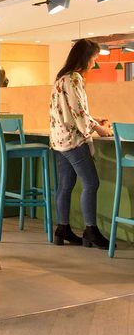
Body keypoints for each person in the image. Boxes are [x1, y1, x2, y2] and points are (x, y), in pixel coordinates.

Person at [49, 38, 113, 249]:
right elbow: (79, 113)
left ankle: (62, 229)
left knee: (65, 186)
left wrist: (93, 121)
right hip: (74, 141)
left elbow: (70, 111)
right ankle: (90, 230)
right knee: (91, 183)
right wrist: (99, 128)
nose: (94, 63)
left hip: (59, 141)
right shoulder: (75, 78)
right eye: (94, 58)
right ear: (86, 57)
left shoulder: (60, 78)